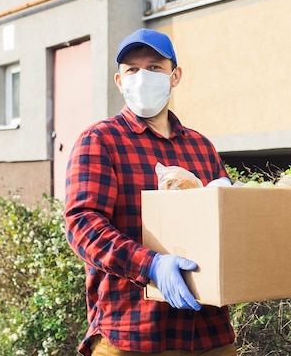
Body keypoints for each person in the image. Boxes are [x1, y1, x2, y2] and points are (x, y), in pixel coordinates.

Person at [64, 28, 237, 356]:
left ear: (175, 76)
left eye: (155, 67)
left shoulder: (201, 147)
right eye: (132, 69)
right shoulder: (100, 141)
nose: (143, 76)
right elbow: (82, 225)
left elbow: (226, 225)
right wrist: (151, 266)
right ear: (120, 81)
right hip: (131, 333)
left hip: (209, 334)